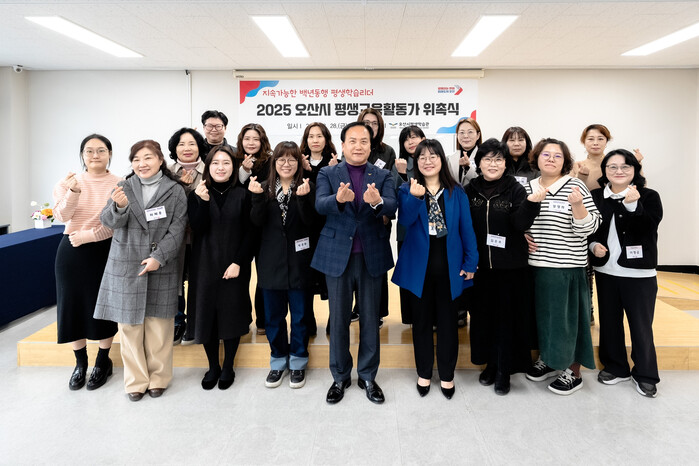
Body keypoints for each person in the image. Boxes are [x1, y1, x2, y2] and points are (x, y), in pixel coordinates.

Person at [94, 140, 187, 401]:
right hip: (127, 263)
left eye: (148, 158)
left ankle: (159, 378)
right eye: (136, 159)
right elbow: (108, 221)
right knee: (130, 327)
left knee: (159, 327)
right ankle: (135, 381)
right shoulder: (123, 187)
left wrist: (159, 257)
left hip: (161, 264)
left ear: (160, 160)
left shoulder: (175, 191)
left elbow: (178, 229)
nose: (142, 164)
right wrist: (119, 207)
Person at [312, 121, 397, 405]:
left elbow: (392, 206)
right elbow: (319, 204)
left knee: (371, 319)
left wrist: (376, 203)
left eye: (363, 141)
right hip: (338, 255)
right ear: (343, 145)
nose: (358, 146)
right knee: (338, 319)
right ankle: (339, 376)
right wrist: (337, 199)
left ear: (371, 146)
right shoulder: (327, 172)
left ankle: (368, 376)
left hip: (371, 255)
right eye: (352, 141)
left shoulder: (383, 174)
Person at [392, 139, 478, 399]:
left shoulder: (456, 191)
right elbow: (405, 221)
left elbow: (466, 229)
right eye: (422, 157)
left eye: (433, 156)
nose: (428, 161)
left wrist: (471, 262)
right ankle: (424, 373)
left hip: (450, 269)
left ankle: (447, 374)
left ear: (442, 160)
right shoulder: (408, 189)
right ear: (415, 162)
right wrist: (416, 197)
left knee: (448, 323)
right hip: (418, 270)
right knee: (421, 324)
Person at [464, 138, 541, 395]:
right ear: (479, 163)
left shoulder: (515, 189)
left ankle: (503, 371)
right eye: (488, 159)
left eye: (498, 159)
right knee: (483, 318)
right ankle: (489, 364)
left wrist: (532, 204)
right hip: (480, 269)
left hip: (510, 268)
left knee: (507, 321)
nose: (493, 164)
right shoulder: (470, 189)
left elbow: (520, 224)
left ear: (506, 163)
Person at [524, 138, 601, 395]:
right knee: (544, 318)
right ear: (536, 158)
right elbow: (519, 219)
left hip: (566, 267)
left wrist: (578, 206)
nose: (551, 159)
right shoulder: (528, 186)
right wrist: (522, 234)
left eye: (557, 156)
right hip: (535, 266)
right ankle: (550, 359)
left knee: (568, 322)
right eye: (546, 154)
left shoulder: (575, 185)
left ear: (565, 161)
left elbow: (590, 227)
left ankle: (573, 371)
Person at [589, 149, 663, 398]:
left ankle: (645, 374)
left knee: (641, 326)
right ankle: (615, 367)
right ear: (605, 170)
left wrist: (632, 206)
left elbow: (648, 229)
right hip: (606, 270)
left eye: (625, 167)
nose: (618, 171)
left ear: (634, 170)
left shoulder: (649, 196)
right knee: (609, 322)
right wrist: (593, 246)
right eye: (612, 167)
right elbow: (590, 230)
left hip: (639, 274)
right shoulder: (596, 196)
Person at [53, 134, 121, 391]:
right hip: (71, 249)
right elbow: (62, 216)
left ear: (110, 154)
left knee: (104, 306)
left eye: (101, 150)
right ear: (82, 155)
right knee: (71, 306)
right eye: (89, 151)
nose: (95, 155)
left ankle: (103, 361)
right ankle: (80, 363)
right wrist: (73, 192)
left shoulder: (120, 183)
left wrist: (90, 236)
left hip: (105, 248)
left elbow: (119, 221)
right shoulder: (69, 182)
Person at [249, 142, 318, 389]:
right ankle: (278, 360)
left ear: (299, 163)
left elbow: (313, 223)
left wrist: (303, 199)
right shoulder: (262, 187)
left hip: (300, 263)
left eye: (292, 159)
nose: (286, 164)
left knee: (300, 317)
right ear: (274, 162)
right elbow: (255, 223)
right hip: (270, 263)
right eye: (281, 159)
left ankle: (298, 361)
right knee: (274, 318)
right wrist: (256, 198)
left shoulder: (308, 186)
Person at [187, 145, 255, 390]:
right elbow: (197, 228)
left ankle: (228, 366)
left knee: (231, 313)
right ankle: (213, 366)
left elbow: (251, 233)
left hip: (234, 263)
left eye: (226, 163)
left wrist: (239, 262)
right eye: (215, 163)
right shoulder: (197, 193)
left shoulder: (243, 194)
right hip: (204, 264)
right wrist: (203, 202)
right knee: (206, 314)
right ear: (208, 166)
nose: (220, 167)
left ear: (234, 167)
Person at [354, 109, 396, 326]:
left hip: (379, 216)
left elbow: (392, 185)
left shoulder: (387, 152)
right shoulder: (354, 148)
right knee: (355, 264)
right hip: (356, 217)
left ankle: (378, 310)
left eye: (374, 123)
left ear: (380, 127)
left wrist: (386, 214)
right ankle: (358, 308)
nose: (370, 126)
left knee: (376, 265)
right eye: (366, 122)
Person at [167, 127, 207, 345]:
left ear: (199, 147)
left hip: (202, 235)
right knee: (175, 280)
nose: (187, 148)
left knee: (199, 280)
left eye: (192, 143)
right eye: (181, 144)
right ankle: (177, 321)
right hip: (174, 236)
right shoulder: (166, 171)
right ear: (174, 149)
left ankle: (196, 322)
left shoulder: (210, 169)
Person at [299, 122, 339, 335]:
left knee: (332, 277)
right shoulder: (298, 162)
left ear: (326, 139)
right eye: (311, 136)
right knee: (305, 277)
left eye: (319, 136)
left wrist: (334, 171)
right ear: (306, 140)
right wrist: (304, 171)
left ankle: (335, 320)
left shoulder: (335, 163)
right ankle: (308, 322)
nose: (315, 140)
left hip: (329, 227)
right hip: (305, 228)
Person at [236, 123, 274, 334]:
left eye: (255, 139)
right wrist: (244, 170)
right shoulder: (233, 159)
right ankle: (241, 320)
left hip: (262, 224)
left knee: (264, 274)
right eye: (247, 138)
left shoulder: (270, 161)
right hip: (239, 225)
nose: (251, 143)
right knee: (240, 275)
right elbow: (233, 187)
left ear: (262, 141)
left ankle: (263, 320)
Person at [393, 125, 426, 325]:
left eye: (415, 137)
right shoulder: (399, 164)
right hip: (406, 229)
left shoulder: (429, 161)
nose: (411, 142)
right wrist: (402, 174)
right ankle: (411, 316)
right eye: (406, 139)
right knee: (408, 271)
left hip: (428, 227)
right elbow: (396, 195)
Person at [447, 117, 482, 187]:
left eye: (470, 132)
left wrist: (467, 168)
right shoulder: (450, 158)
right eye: (462, 132)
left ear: (478, 135)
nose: (465, 136)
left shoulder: (484, 156)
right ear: (457, 135)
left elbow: (483, 183)